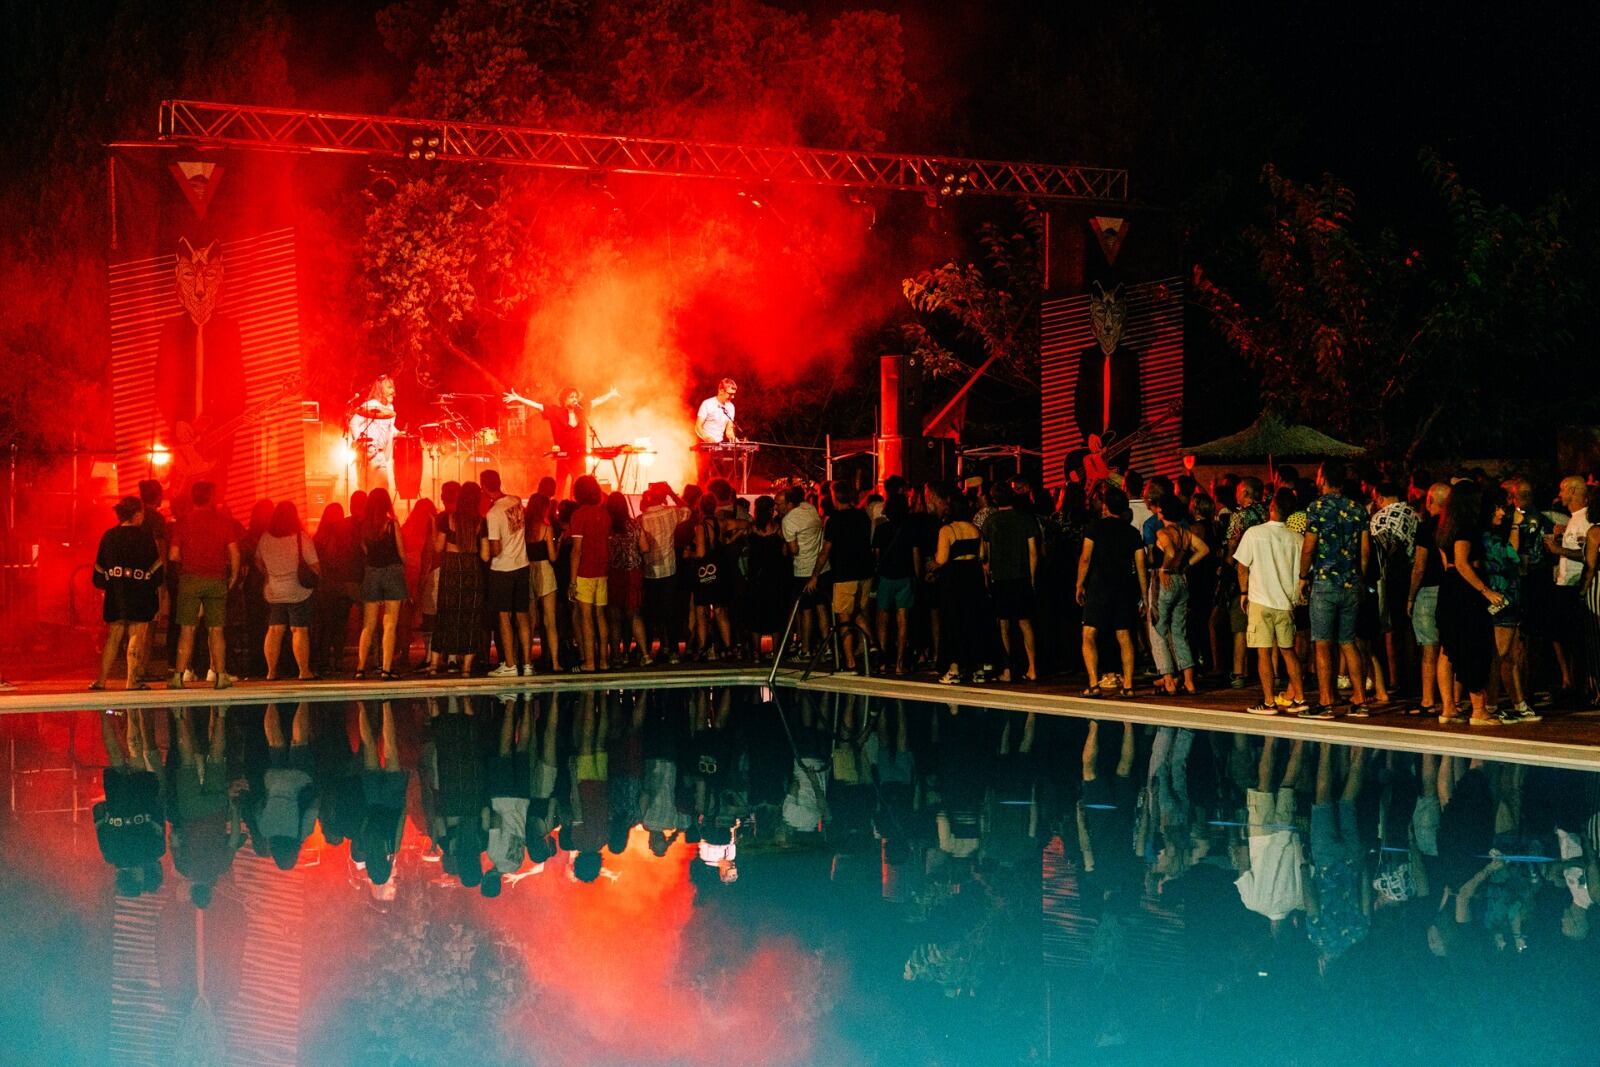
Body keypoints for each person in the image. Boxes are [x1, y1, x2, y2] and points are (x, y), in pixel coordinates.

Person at [1298, 461, 1370, 715]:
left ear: (1323, 478)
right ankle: (1360, 699)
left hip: (1325, 581)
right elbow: (1364, 552)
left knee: (1323, 643)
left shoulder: (1317, 508)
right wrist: (1359, 577)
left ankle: (1327, 700)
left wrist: (1302, 576)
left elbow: (1309, 547)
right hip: (1351, 582)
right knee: (1348, 641)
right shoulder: (1358, 509)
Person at [1435, 481, 1506, 726]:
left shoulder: (1445, 526)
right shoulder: (1466, 528)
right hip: (1466, 590)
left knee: (1448, 649)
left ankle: (1448, 708)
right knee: (1475, 646)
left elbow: (1448, 564)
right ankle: (1478, 710)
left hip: (1449, 587)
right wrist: (1486, 591)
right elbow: (1462, 562)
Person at [1233, 488, 1308, 714]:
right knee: (1288, 650)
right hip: (1285, 603)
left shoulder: (1255, 533)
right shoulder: (1297, 538)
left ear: (1272, 508)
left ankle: (1268, 701)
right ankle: (1300, 698)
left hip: (1260, 600)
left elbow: (1242, 566)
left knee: (1263, 651)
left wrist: (1243, 592)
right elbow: (1303, 571)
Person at [1076, 487, 1148, 697]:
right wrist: (1144, 595)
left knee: (1089, 633)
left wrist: (1079, 584)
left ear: (1105, 507)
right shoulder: (1132, 532)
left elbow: (1085, 558)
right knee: (1124, 636)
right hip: (1124, 587)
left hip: (1099, 586)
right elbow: (1141, 565)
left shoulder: (1094, 527)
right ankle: (1128, 685)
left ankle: (1093, 683)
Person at [169, 480, 238, 690]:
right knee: (216, 630)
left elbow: (173, 554)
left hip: (190, 579)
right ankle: (220, 676)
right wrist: (233, 575)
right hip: (216, 579)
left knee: (187, 630)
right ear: (211, 497)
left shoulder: (183, 522)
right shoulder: (223, 522)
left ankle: (179, 677)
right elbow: (234, 552)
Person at [92, 496, 163, 691]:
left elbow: (98, 573)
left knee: (113, 637)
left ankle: (101, 681)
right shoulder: (145, 537)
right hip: (140, 595)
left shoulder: (109, 536)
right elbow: (157, 570)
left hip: (115, 595)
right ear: (138, 514)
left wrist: (109, 584)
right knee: (136, 635)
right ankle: (132, 681)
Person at [502, 384, 620, 499]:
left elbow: (596, 401)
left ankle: (577, 507)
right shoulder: (555, 411)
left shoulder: (581, 410)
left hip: (579, 455)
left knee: (580, 485)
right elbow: (538, 406)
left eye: (575, 397)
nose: (574, 399)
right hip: (563, 456)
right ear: (564, 399)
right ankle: (557, 508)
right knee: (560, 486)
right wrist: (518, 398)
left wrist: (610, 394)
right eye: (571, 397)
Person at [926, 483, 991, 685]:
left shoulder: (947, 530)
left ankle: (954, 668)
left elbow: (942, 559)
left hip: (954, 579)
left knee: (954, 622)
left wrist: (931, 564)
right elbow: (982, 555)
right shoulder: (974, 529)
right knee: (974, 621)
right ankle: (978, 667)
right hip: (973, 576)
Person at [95, 710, 166, 896]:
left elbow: (159, 819)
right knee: (114, 754)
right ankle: (103, 713)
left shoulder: (151, 853)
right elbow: (99, 818)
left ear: (137, 879)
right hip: (116, 803)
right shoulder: (110, 856)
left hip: (142, 800)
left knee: (136, 754)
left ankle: (132, 711)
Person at [1148, 493, 1209, 695]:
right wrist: (1186, 566)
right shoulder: (1185, 532)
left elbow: (1170, 552)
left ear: (1163, 511)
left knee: (1158, 630)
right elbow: (1204, 549)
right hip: (1181, 582)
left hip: (1163, 580)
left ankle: (1168, 680)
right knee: (1179, 632)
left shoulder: (1163, 533)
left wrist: (1165, 568)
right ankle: (1189, 681)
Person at [255, 500, 321, 681]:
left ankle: (271, 672)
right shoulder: (301, 538)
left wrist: (271, 574)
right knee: (299, 630)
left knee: (274, 630)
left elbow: (258, 561)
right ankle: (303, 671)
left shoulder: (265, 538)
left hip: (274, 590)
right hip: (298, 590)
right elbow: (315, 565)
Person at [983, 483, 1041, 683]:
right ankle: (1032, 667)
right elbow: (1033, 551)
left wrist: (988, 576)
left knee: (1004, 624)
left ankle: (1007, 668)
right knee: (1025, 623)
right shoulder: (1025, 519)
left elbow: (986, 555)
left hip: (1000, 577)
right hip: (1022, 576)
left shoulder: (990, 521)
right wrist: (1033, 577)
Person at [429, 481, 486, 675]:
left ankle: (434, 665)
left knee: (446, 614)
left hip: (451, 568)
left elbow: (438, 548)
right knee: (470, 617)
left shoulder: (447, 518)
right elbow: (485, 555)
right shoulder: (480, 521)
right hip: (471, 569)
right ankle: (467, 668)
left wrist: (433, 529)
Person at [818, 480, 873, 672]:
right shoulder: (862, 516)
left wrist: (815, 574)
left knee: (844, 618)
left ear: (835, 497)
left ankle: (849, 662)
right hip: (865, 571)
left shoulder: (835, 520)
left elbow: (826, 551)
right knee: (857, 611)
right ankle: (871, 645)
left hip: (844, 572)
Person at [482, 470, 533, 678]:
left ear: (484, 488)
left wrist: (484, 545)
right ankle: (527, 664)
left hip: (502, 568)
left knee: (503, 617)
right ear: (500, 482)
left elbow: (495, 548)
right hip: (522, 564)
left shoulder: (493, 514)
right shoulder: (516, 501)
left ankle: (510, 665)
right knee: (522, 616)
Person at [1407, 483, 1451, 716]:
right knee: (1449, 648)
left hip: (1429, 590)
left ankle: (1427, 700)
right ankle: (1450, 700)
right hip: (1451, 588)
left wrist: (1411, 597)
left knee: (1429, 649)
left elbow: (1420, 565)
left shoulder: (1425, 528)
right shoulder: (1454, 525)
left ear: (1431, 500)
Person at [1548, 475, 1593, 702]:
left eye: (1563, 490)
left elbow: (1589, 554)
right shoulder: (1573, 519)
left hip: (1574, 584)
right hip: (1564, 583)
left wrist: (1558, 550)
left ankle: (1578, 684)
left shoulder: (1585, 519)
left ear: (1573, 491)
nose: (1560, 494)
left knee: (1575, 637)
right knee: (1559, 634)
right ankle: (1569, 681)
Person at [355, 487, 408, 679]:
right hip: (392, 572)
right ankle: (386, 668)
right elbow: (401, 552)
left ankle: (360, 668)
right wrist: (406, 564)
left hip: (371, 573)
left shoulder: (364, 526)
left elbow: (365, 550)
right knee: (390, 623)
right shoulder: (392, 524)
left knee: (368, 625)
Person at [1221, 477, 1267, 688]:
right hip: (1266, 573)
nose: (1236, 495)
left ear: (1247, 493)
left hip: (1245, 575)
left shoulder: (1239, 517)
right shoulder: (1268, 513)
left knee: (1240, 623)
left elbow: (1232, 548)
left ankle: (1239, 671)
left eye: (1239, 491)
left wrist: (1225, 566)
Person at [567, 474, 613, 672]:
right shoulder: (605, 514)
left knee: (586, 617)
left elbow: (576, 550)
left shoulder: (578, 515)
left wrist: (572, 580)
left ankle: (589, 662)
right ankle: (603, 660)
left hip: (585, 571)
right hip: (602, 570)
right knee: (600, 615)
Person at [872, 492, 921, 676]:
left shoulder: (881, 528)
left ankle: (883, 662)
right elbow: (915, 555)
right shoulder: (910, 529)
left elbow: (876, 555)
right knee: (903, 621)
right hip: (905, 577)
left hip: (885, 577)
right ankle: (900, 663)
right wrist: (917, 577)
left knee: (882, 620)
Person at [777, 485, 828, 660]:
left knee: (805, 610)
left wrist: (786, 545)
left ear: (789, 503)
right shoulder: (810, 508)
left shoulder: (788, 521)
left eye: (779, 504)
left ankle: (805, 650)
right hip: (821, 567)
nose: (777, 507)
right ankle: (826, 647)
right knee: (821, 607)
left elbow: (794, 549)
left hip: (803, 569)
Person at [638, 485, 686, 664]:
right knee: (670, 613)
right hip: (669, 570)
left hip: (650, 572)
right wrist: (671, 492)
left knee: (651, 614)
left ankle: (648, 651)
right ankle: (673, 650)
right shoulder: (671, 513)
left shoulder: (640, 519)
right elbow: (688, 509)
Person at [312, 503, 357, 674]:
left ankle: (323, 661)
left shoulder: (319, 536)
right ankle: (338, 661)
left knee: (325, 625)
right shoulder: (345, 536)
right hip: (341, 584)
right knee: (340, 625)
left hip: (324, 586)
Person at [605, 491, 649, 665]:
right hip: (633, 572)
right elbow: (645, 548)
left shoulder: (606, 526)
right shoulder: (634, 524)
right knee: (634, 615)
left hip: (613, 573)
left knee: (614, 617)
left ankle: (616, 657)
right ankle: (646, 654)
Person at [524, 492, 563, 672]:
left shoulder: (524, 529)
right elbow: (553, 557)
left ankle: (526, 662)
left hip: (528, 570)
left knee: (529, 621)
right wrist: (560, 542)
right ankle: (555, 662)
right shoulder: (547, 528)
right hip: (545, 570)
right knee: (550, 620)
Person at [349, 374, 398, 497]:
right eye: (389, 387)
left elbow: (389, 428)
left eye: (393, 388)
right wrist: (362, 441)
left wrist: (399, 433)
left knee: (383, 488)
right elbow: (354, 422)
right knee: (366, 490)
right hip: (368, 453)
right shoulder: (371, 404)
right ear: (381, 389)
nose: (393, 391)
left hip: (380, 454)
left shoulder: (390, 408)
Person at [694, 377, 739, 483]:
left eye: (734, 394)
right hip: (704, 447)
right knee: (704, 478)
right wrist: (706, 437)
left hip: (718, 447)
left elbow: (729, 430)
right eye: (730, 394)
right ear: (721, 391)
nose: (733, 397)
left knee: (720, 478)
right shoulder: (707, 404)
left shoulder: (731, 407)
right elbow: (697, 426)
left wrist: (735, 440)